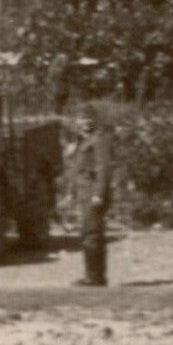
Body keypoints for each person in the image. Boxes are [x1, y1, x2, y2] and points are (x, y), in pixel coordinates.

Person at [73, 107, 112, 287]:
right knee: (88, 232)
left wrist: (99, 193)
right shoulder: (85, 141)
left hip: (92, 191)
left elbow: (103, 168)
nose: (82, 123)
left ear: (93, 121)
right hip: (85, 191)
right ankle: (93, 274)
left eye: (86, 120)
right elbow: (78, 169)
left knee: (92, 233)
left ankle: (95, 276)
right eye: (80, 120)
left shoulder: (99, 140)